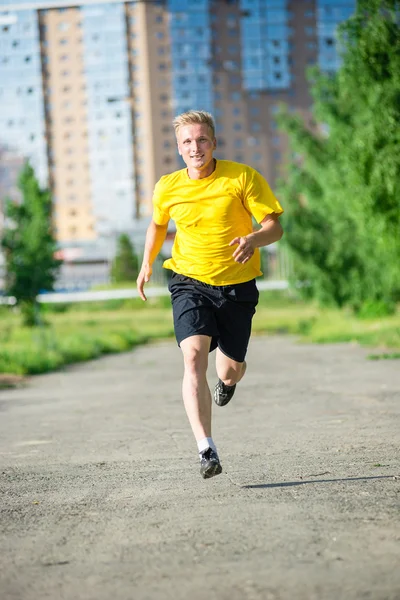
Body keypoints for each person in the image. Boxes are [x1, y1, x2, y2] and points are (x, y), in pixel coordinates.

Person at [137, 110, 284, 480]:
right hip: (189, 280)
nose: (195, 147)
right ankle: (206, 448)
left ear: (214, 142)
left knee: (229, 369)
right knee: (192, 357)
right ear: (178, 148)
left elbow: (274, 227)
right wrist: (146, 264)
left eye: (202, 139)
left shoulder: (242, 176)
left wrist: (253, 238)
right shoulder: (167, 186)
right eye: (187, 141)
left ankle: (228, 382)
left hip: (237, 286)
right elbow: (157, 225)